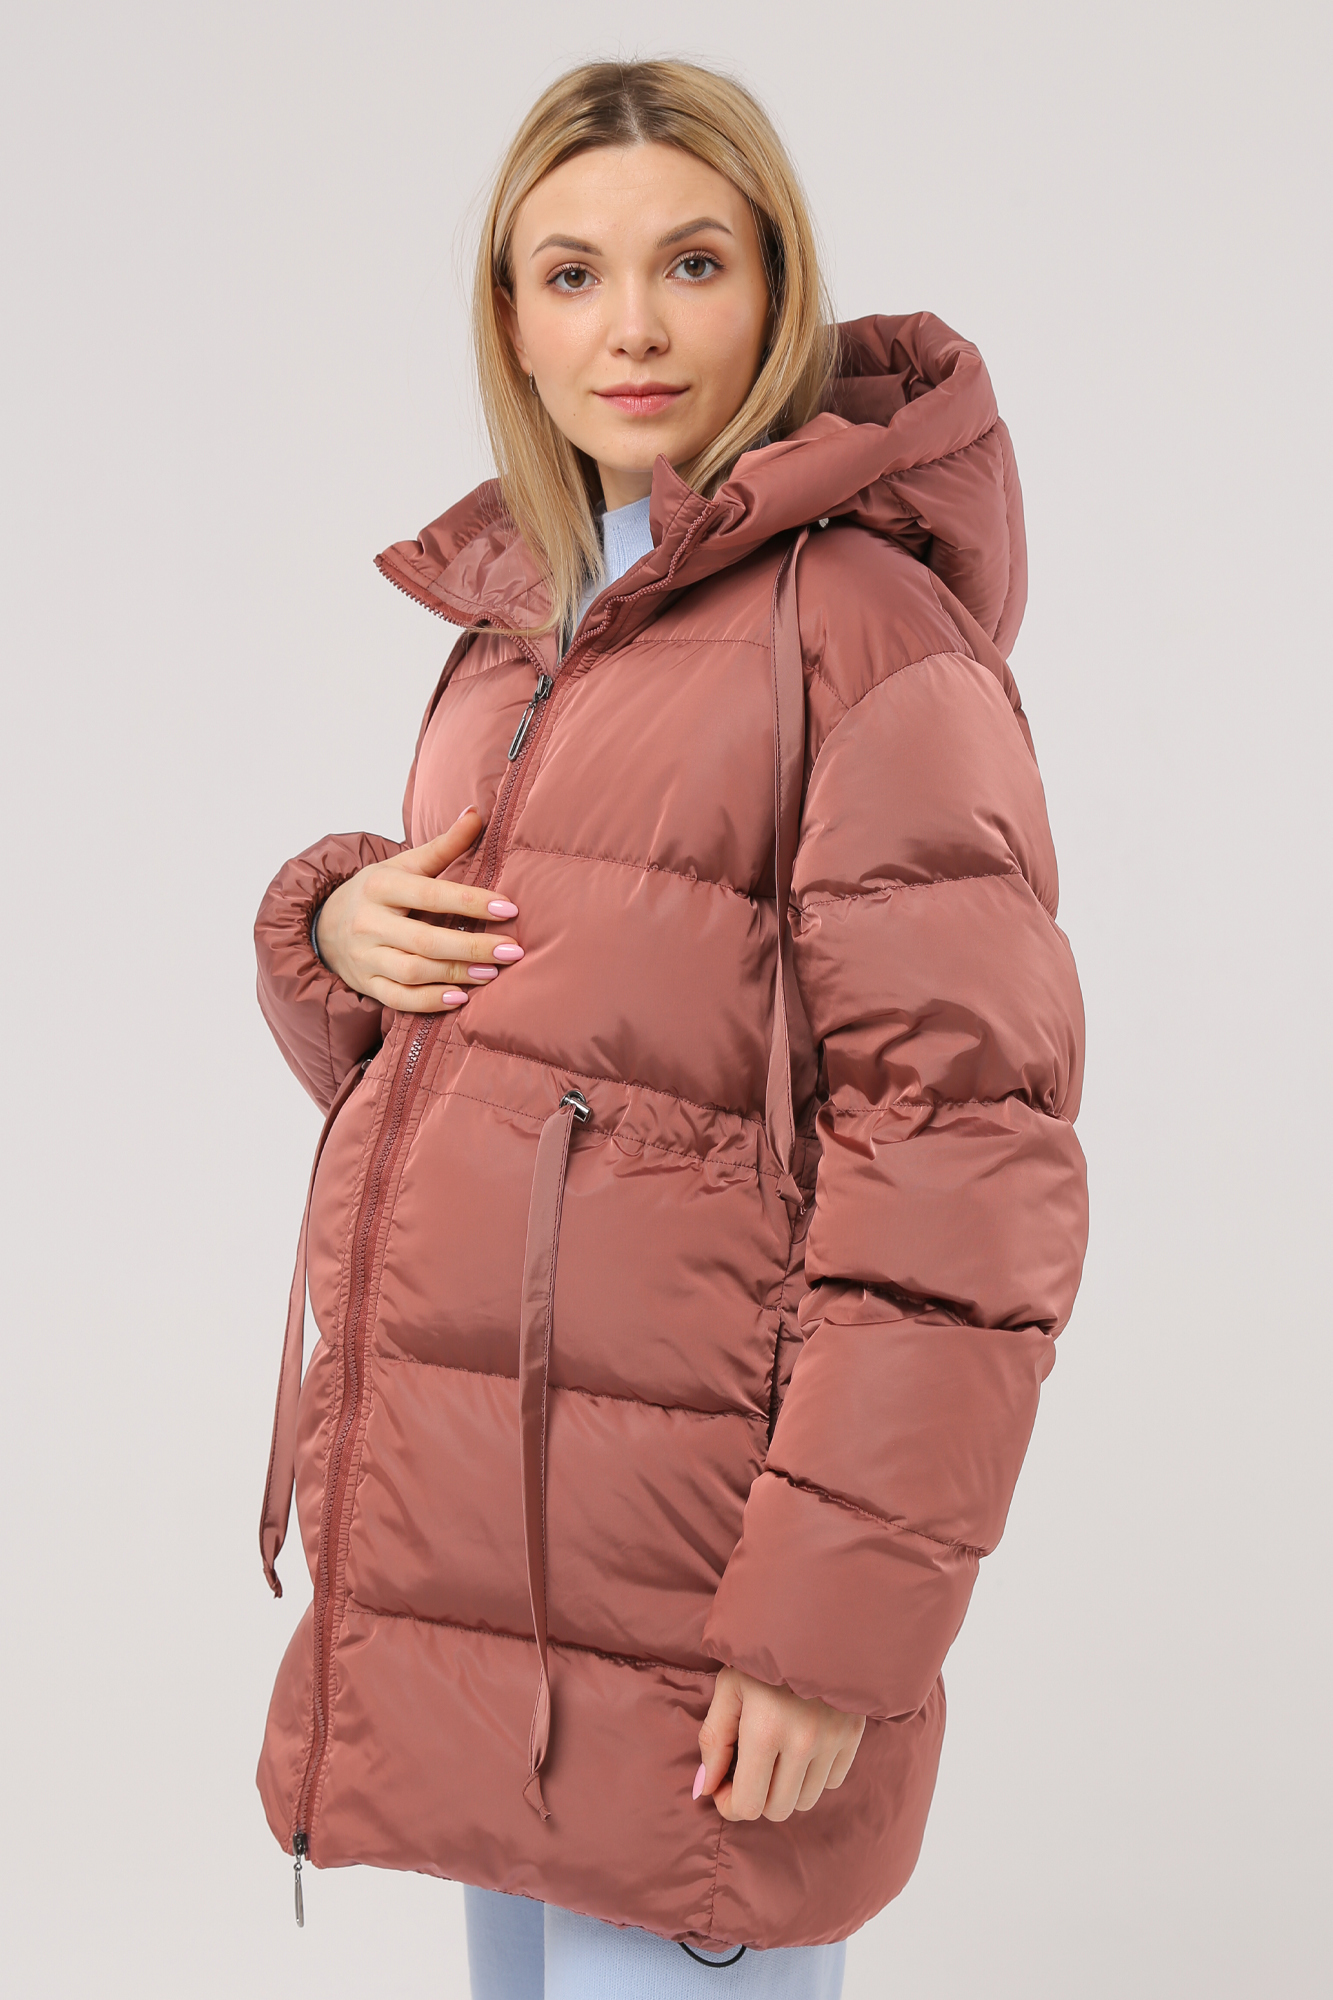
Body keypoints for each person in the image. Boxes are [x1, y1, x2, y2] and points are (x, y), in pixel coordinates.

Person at [253, 57, 1088, 2000]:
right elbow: (497, 1072)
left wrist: (829, 1627)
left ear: (775, 287)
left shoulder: (864, 632)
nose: (630, 326)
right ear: (510, 322)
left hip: (706, 1594)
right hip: (491, 1580)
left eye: (690, 262)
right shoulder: (522, 628)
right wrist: (335, 936)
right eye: (572, 274)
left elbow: (966, 1168)